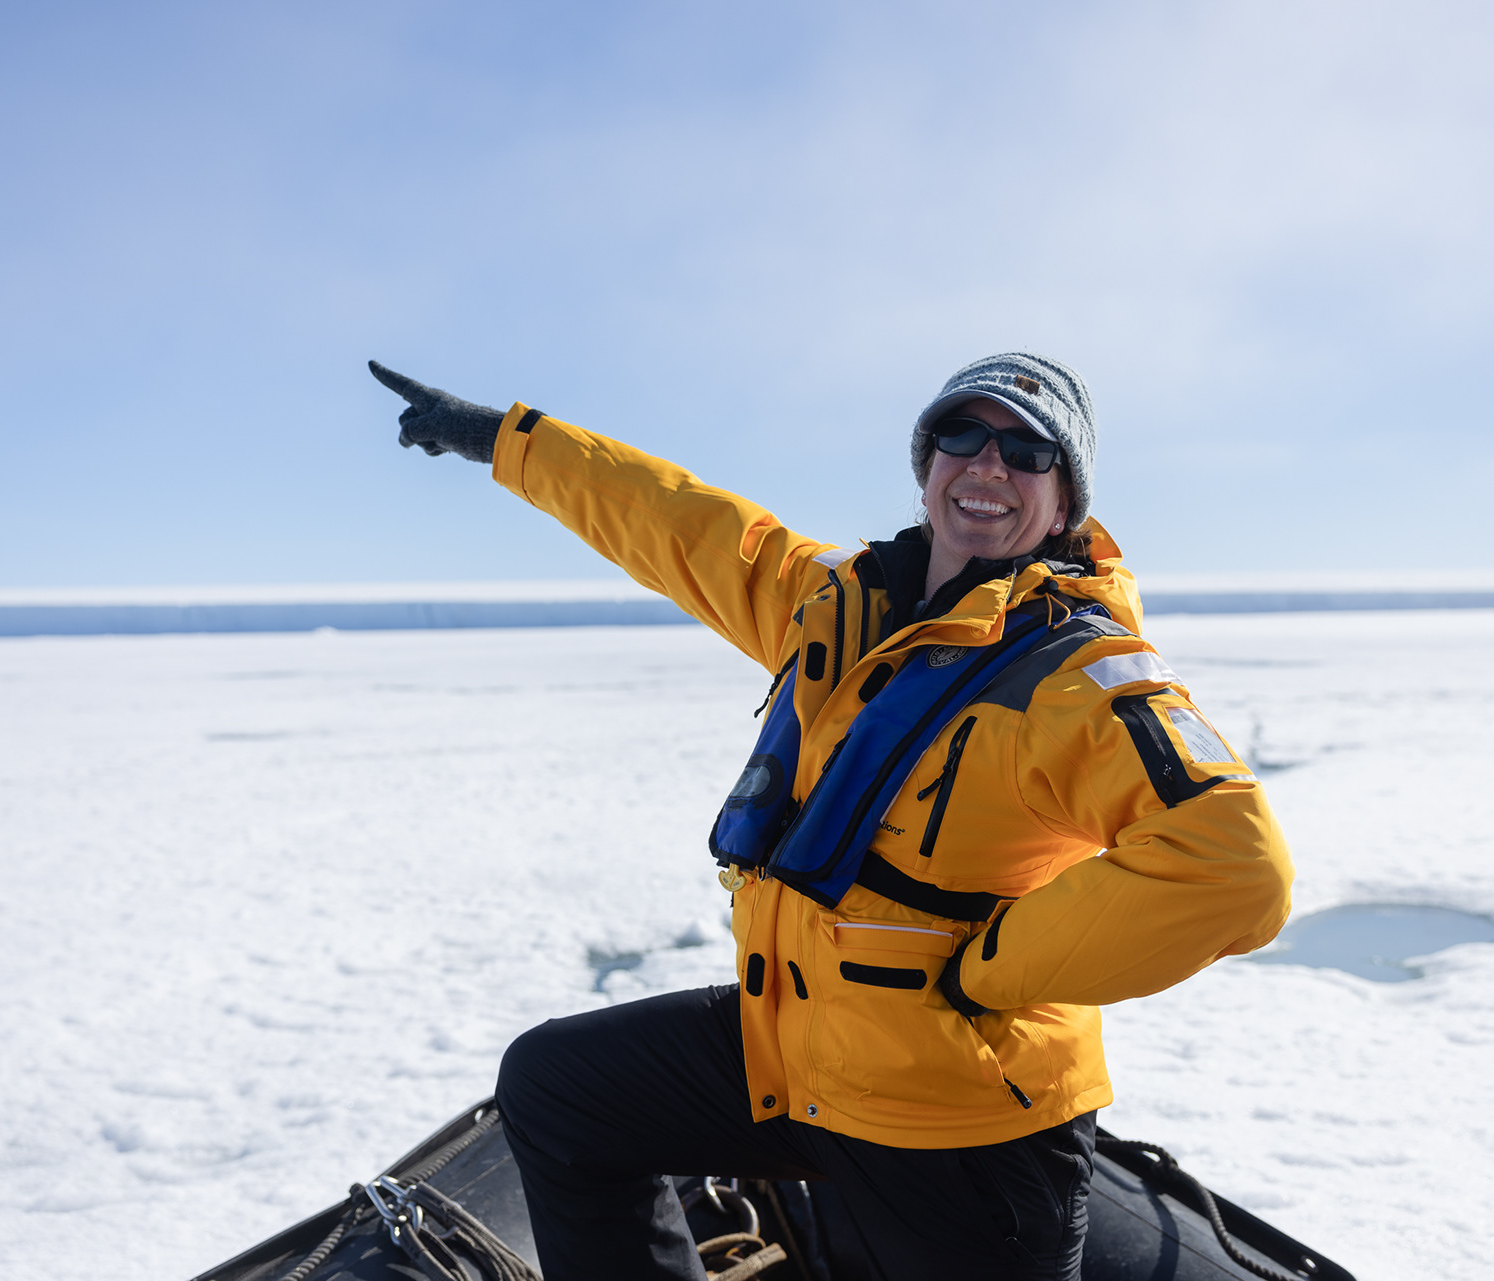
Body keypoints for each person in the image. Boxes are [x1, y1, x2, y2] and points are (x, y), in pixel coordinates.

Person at [370, 352, 1294, 1281]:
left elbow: (1234, 868)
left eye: (1028, 451)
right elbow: (676, 518)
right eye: (962, 435)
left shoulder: (1077, 673)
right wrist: (501, 438)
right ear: (926, 464)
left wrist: (991, 970)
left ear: (1065, 506)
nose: (988, 464)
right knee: (559, 1088)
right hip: (804, 1048)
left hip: (961, 1124)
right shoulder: (835, 602)